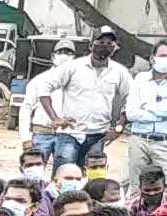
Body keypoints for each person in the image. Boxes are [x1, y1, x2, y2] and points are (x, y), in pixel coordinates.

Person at [34, 28, 130, 170]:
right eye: (101, 42)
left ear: (115, 48)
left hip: (99, 136)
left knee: (94, 180)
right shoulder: (73, 67)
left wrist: (119, 128)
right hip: (70, 134)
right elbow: (44, 88)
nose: (105, 46)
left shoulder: (120, 72)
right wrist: (55, 118)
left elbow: (131, 99)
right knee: (65, 177)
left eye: (110, 43)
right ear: (91, 45)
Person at [122, 40, 167, 193]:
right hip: (139, 139)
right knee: (136, 187)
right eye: (163, 55)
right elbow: (131, 113)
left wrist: (147, 107)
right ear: (153, 58)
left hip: (166, 141)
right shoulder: (140, 79)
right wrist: (164, 114)